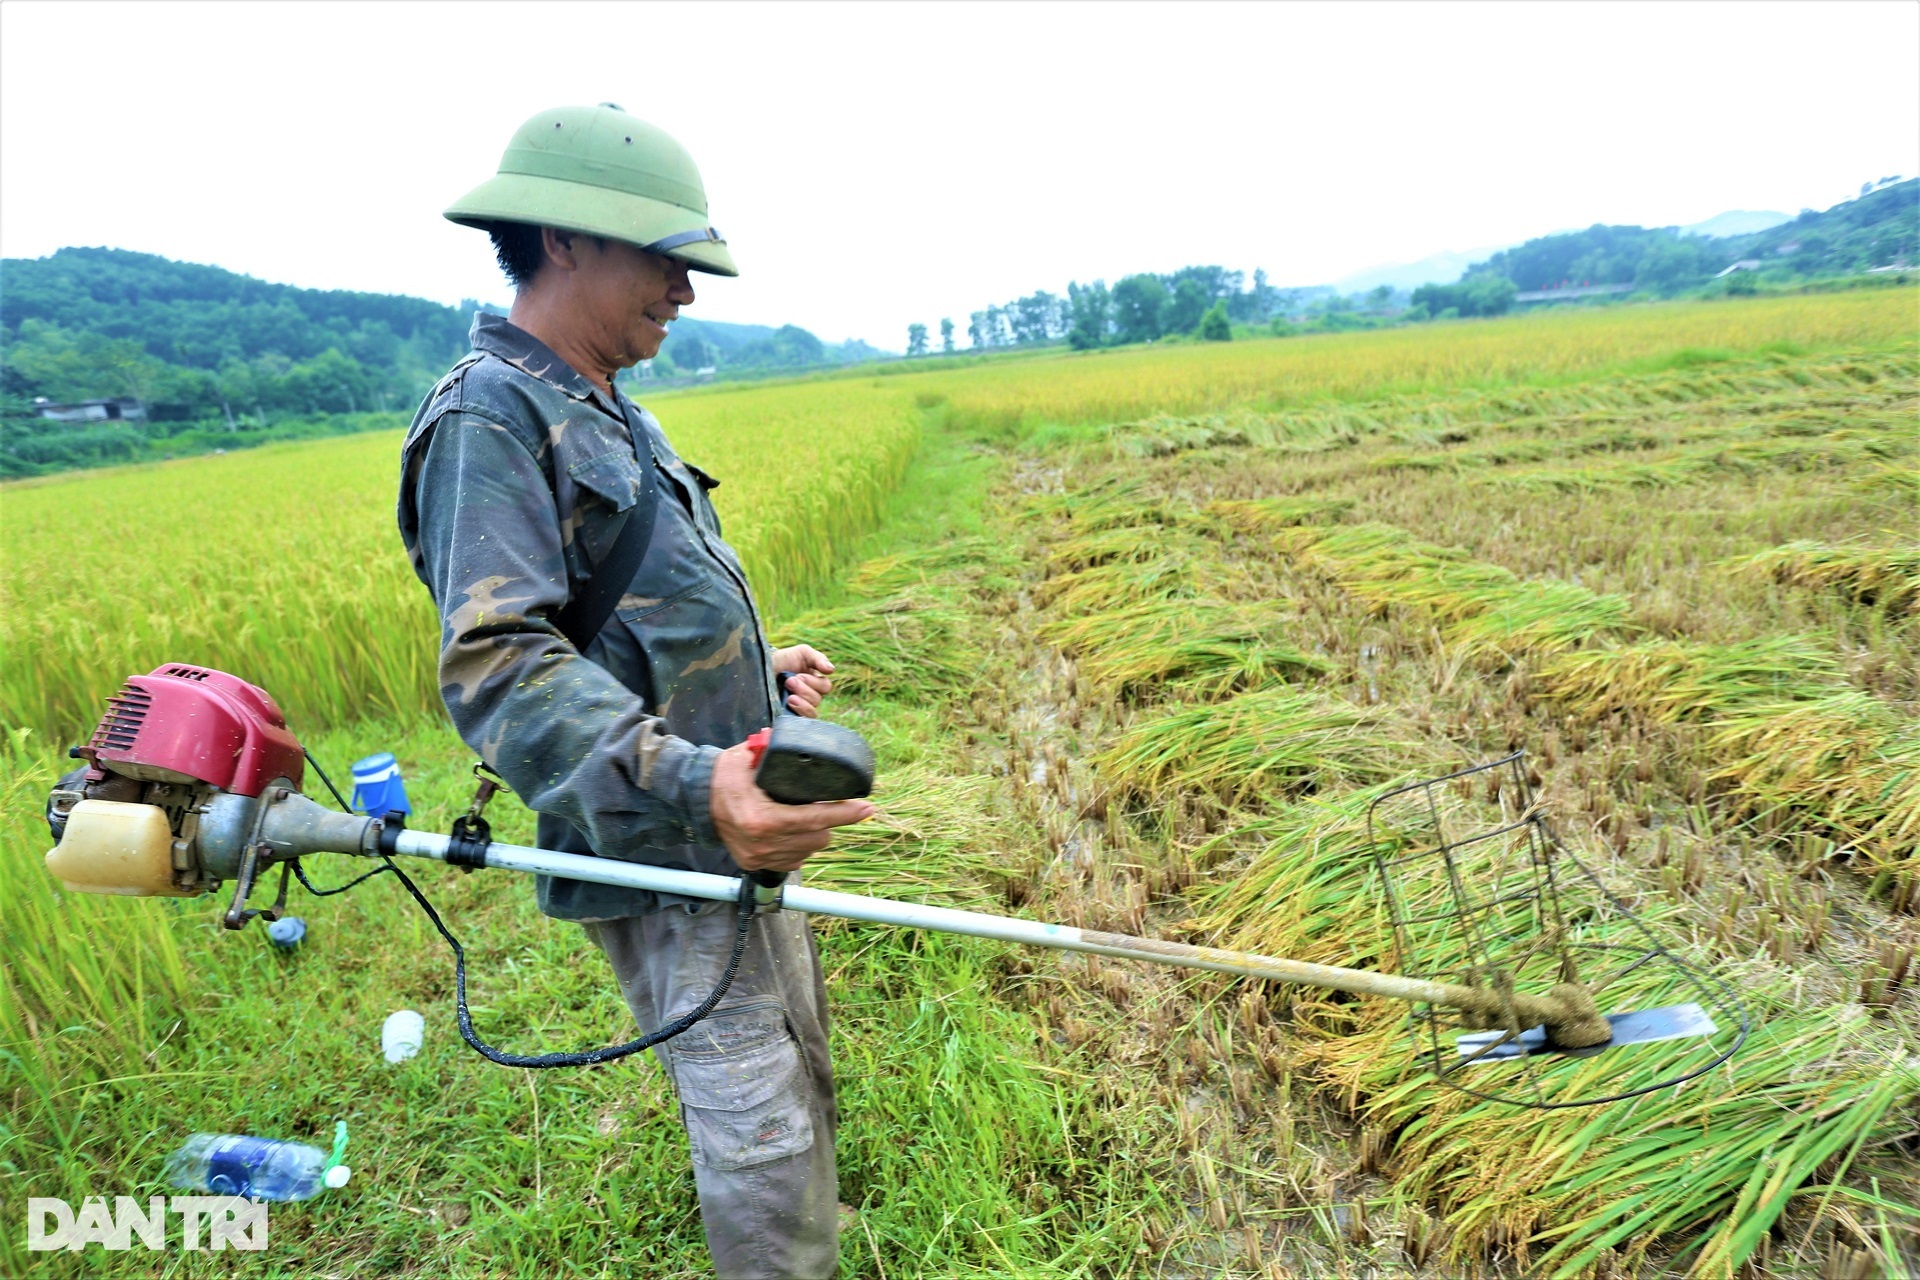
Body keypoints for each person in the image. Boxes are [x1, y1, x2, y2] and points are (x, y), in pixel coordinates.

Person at [396, 103, 871, 1279]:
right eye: (664, 259)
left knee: (793, 1059)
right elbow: (499, 659)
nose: (686, 291)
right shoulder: (489, 415)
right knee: (755, 1115)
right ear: (564, 240)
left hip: (721, 814)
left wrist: (750, 674)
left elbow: (617, 610)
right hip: (662, 835)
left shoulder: (605, 403)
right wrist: (700, 776)